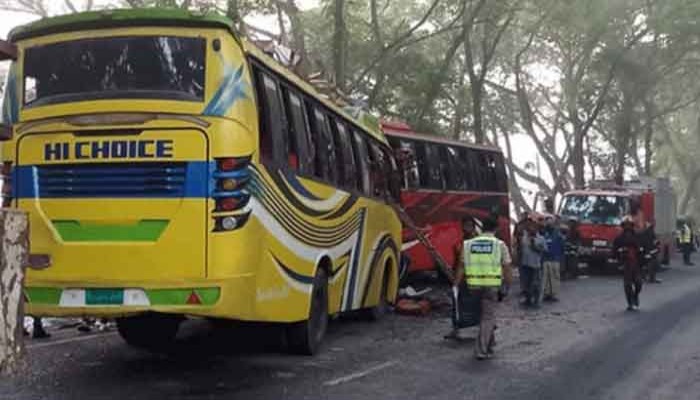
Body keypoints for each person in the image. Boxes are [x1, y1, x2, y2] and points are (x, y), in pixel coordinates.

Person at [453, 216, 512, 360]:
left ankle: (490, 344)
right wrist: (507, 287)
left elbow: (461, 267)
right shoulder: (500, 245)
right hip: (491, 286)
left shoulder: (468, 244)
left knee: (485, 315)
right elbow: (507, 268)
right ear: (496, 228)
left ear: (482, 227)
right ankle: (481, 349)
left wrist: (455, 284)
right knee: (488, 316)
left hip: (473, 286)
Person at [445, 215, 479, 340]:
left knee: (476, 304)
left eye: (469, 225)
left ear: (473, 227)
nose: (466, 228)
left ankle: (483, 330)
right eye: (465, 225)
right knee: (457, 304)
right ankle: (456, 329)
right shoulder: (461, 241)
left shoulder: (477, 242)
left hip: (473, 278)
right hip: (460, 277)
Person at [614, 216, 643, 311]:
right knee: (627, 285)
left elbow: (642, 249)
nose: (627, 227)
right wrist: (620, 252)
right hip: (625, 264)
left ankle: (635, 295)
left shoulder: (637, 237)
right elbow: (614, 251)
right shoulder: (619, 239)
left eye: (629, 225)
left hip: (636, 264)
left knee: (639, 283)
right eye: (625, 225)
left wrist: (642, 257)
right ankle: (630, 303)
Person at [519, 217, 547, 308]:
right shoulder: (524, 237)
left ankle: (536, 301)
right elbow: (521, 249)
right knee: (526, 283)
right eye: (530, 227)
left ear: (536, 228)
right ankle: (528, 299)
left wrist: (535, 246)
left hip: (535, 264)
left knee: (536, 284)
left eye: (533, 227)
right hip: (525, 264)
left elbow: (545, 250)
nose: (531, 229)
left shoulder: (541, 238)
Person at [542, 216, 564, 301]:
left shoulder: (558, 234)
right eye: (547, 222)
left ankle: (554, 294)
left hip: (555, 258)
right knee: (545, 277)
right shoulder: (543, 233)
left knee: (555, 277)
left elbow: (562, 246)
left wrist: (560, 257)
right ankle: (546, 293)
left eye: (551, 222)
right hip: (545, 258)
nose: (549, 224)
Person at [512, 212, 530, 295]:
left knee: (526, 270)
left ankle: (526, 287)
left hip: (529, 250)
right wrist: (514, 247)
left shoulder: (531, 224)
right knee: (522, 270)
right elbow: (515, 237)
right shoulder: (518, 225)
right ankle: (524, 288)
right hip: (521, 250)